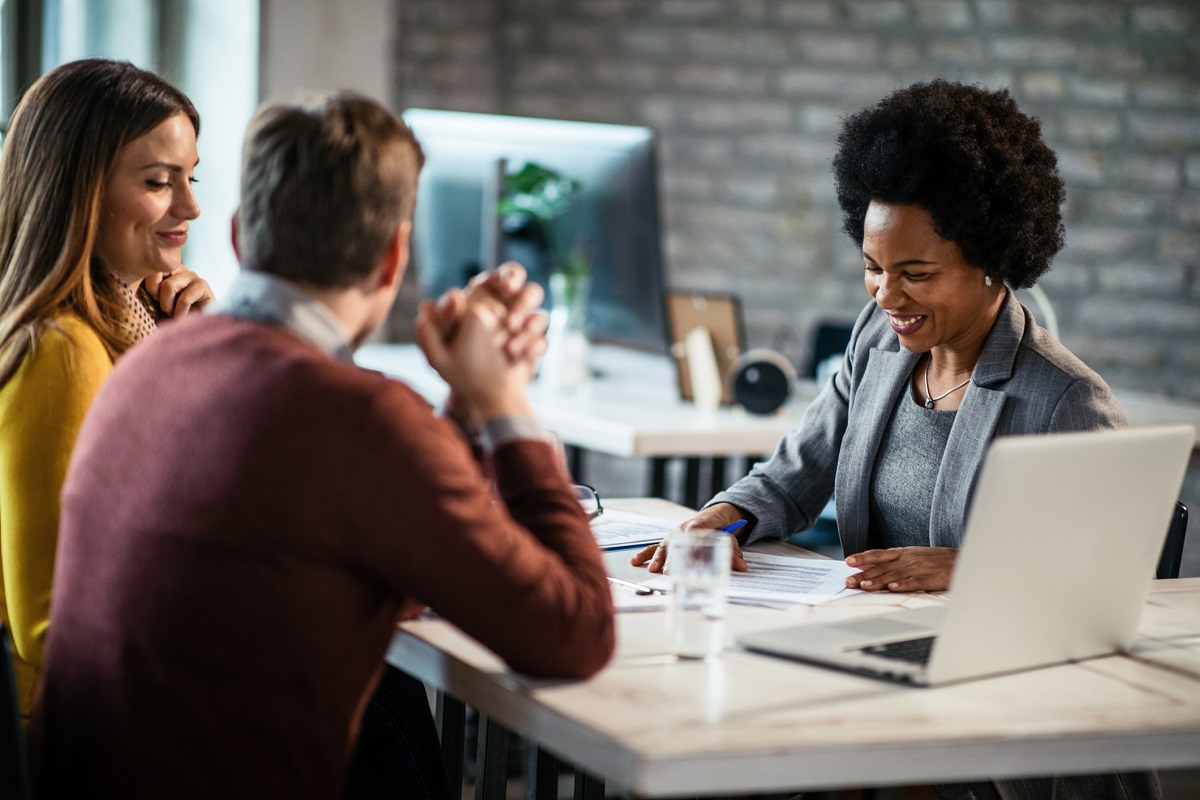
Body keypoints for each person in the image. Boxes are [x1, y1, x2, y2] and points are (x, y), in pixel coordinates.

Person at [32, 92, 614, 800]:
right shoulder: (363, 419)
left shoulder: (146, 361)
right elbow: (576, 636)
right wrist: (505, 406)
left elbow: (354, 543)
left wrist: (459, 412)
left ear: (243, 235)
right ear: (394, 254)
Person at [634, 80, 1155, 800]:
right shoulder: (877, 340)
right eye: (873, 270)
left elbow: (1108, 592)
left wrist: (969, 568)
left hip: (997, 721)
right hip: (867, 674)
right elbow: (794, 473)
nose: (885, 297)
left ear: (990, 259)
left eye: (915, 274)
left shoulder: (1062, 398)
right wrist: (723, 520)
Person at [0, 58, 212, 719]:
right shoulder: (62, 352)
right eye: (158, 183)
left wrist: (188, 352)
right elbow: (54, 624)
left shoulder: (121, 330)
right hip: (78, 738)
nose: (191, 207)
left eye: (191, 179)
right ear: (80, 190)